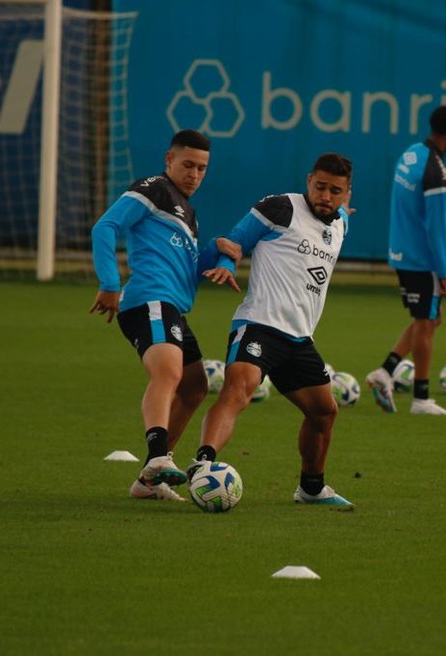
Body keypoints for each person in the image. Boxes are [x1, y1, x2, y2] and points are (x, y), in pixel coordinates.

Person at [187, 153, 355, 508]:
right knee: (238, 392)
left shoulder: (340, 223)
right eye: (320, 186)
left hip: (299, 339)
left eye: (335, 191)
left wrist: (343, 210)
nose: (325, 195)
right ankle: (202, 466)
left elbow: (338, 216)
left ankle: (311, 489)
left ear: (346, 194)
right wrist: (225, 263)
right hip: (259, 325)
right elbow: (236, 240)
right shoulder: (281, 207)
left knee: (325, 412)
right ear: (309, 180)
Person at [90, 129, 241, 502]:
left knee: (195, 387)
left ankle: (148, 483)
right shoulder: (153, 188)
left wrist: (214, 253)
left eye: (202, 168)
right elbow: (105, 227)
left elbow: (185, 268)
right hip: (149, 301)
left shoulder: (188, 212)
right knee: (169, 373)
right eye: (187, 164)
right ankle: (158, 457)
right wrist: (109, 282)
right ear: (168, 159)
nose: (194, 174)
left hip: (171, 307)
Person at [365, 105, 446, 416]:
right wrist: (445, 273)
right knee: (426, 323)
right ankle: (421, 399)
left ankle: (385, 372)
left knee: (430, 319)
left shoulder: (411, 154)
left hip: (401, 252)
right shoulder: (437, 170)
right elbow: (436, 227)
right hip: (422, 259)